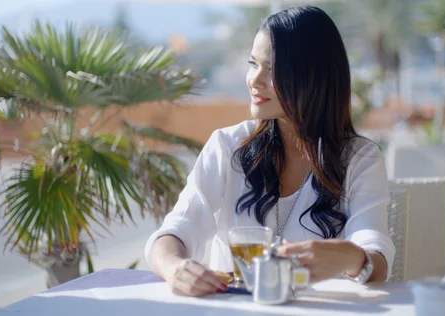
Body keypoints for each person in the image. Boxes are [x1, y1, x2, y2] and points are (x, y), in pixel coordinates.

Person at [145, 5, 395, 297]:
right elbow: (176, 230)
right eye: (253, 64)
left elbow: (375, 254)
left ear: (313, 77)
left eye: (272, 69)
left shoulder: (359, 159)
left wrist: (351, 258)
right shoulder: (227, 146)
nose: (254, 79)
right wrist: (175, 268)